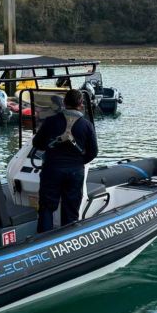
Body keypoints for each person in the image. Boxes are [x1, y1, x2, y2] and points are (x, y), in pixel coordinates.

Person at [31, 89, 98, 233]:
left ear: (64, 102)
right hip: (75, 171)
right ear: (81, 104)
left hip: (52, 169)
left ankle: (43, 241)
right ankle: (67, 241)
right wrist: (79, 161)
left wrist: (50, 149)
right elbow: (93, 152)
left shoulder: (50, 121)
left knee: (47, 208)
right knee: (71, 209)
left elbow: (37, 143)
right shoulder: (87, 125)